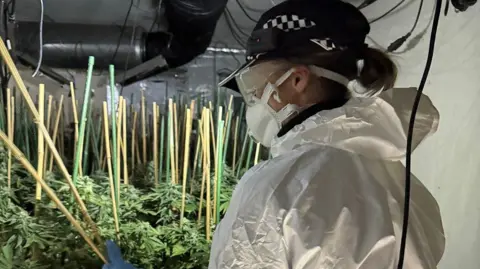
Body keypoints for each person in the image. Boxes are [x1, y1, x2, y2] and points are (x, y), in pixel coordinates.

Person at [104, 0, 445, 268]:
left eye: (255, 83)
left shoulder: (283, 185)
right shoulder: (401, 184)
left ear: (297, 80)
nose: (252, 98)